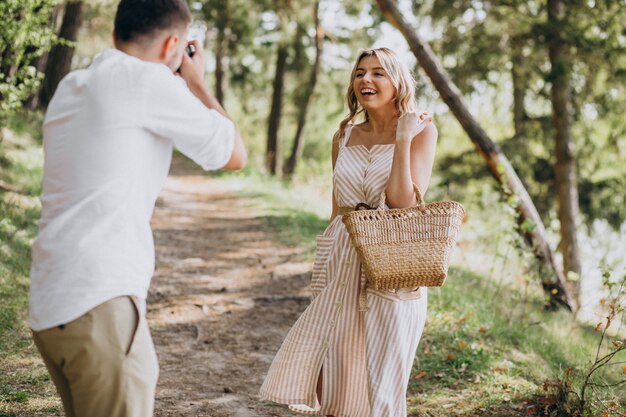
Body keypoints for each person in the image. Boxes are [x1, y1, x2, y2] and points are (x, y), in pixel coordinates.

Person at [28, 0, 246, 416]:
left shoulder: (73, 85)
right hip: (100, 300)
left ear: (115, 34)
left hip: (52, 302)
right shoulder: (146, 81)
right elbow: (235, 155)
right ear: (173, 46)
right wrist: (196, 82)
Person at [260, 47, 437, 416]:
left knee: (382, 384)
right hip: (342, 259)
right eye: (359, 73)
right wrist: (322, 271)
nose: (365, 80)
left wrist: (403, 139)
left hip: (391, 263)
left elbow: (403, 205)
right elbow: (336, 209)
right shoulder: (343, 136)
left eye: (378, 73)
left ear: (398, 81)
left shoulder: (421, 129)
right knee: (336, 377)